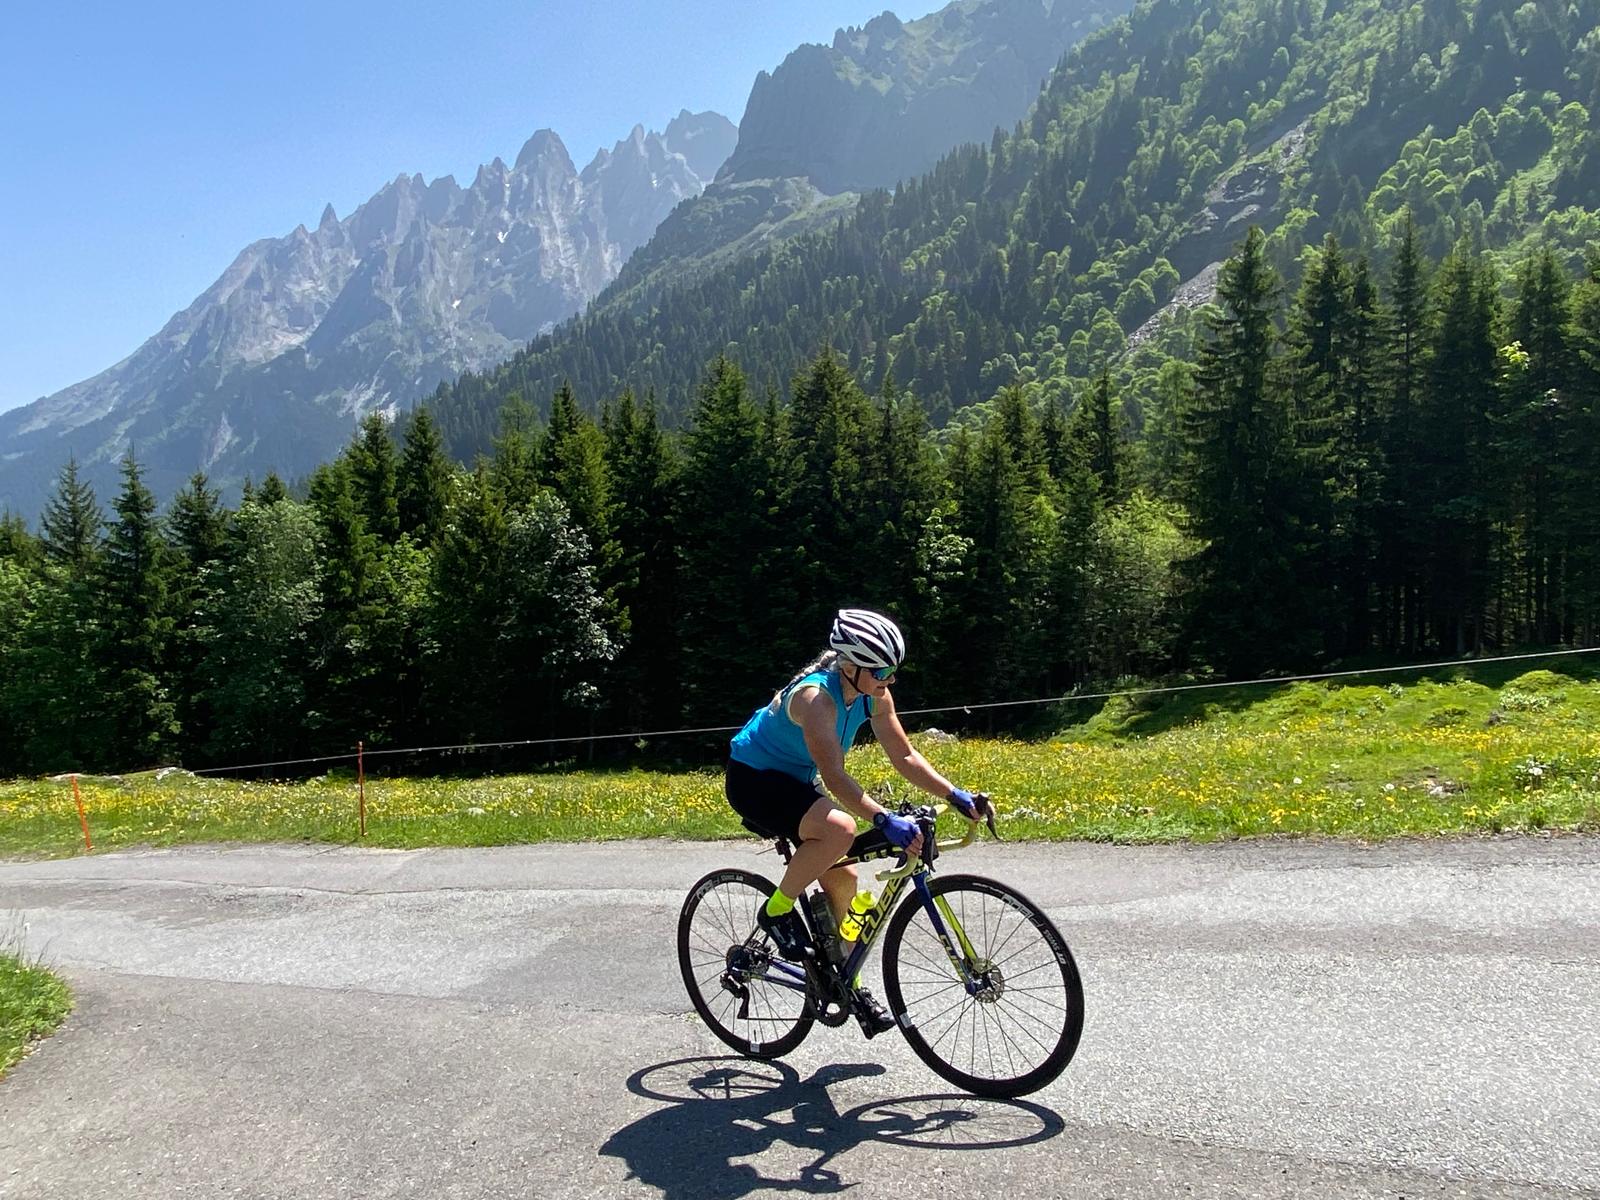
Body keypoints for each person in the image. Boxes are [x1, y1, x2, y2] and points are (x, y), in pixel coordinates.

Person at [725, 607, 982, 1036]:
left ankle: (848, 982)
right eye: (882, 669)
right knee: (841, 830)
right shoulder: (815, 699)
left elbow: (904, 755)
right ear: (849, 664)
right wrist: (884, 819)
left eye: (894, 669)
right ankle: (776, 911)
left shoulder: (874, 692)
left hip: (796, 781)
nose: (891, 678)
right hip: (755, 780)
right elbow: (835, 777)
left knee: (844, 879)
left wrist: (954, 794)